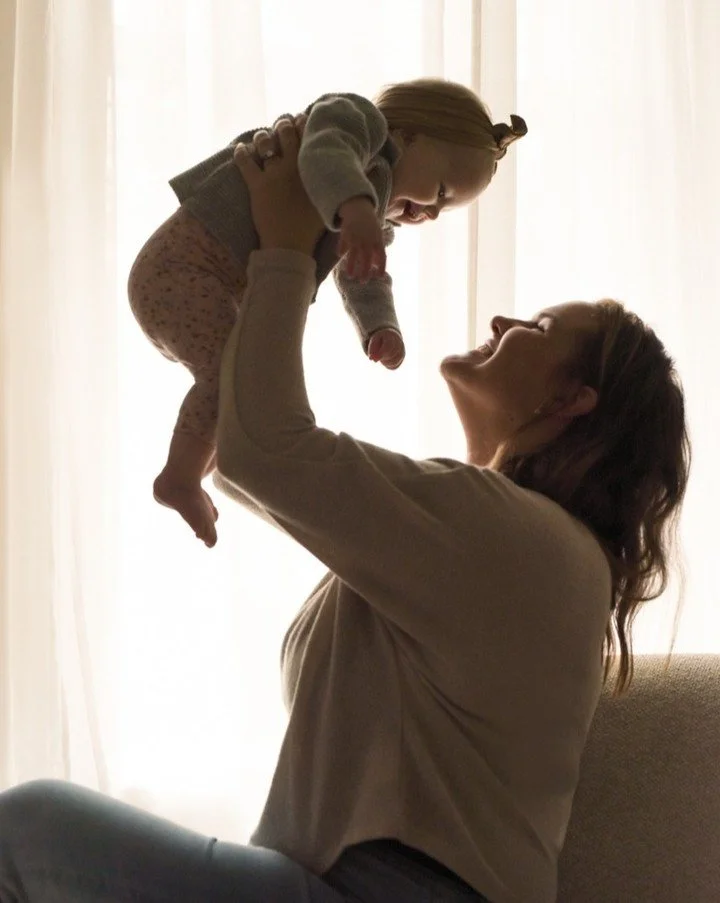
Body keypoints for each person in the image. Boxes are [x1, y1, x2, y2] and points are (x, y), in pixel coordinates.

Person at [0, 120, 689, 903]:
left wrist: (285, 247)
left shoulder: (520, 537)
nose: (501, 323)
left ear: (571, 399)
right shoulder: (491, 539)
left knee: (27, 829)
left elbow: (267, 449)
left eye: (534, 328)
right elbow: (265, 454)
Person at [127, 78, 526, 548]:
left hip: (211, 285)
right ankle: (178, 479)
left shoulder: (370, 214)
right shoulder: (356, 120)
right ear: (411, 135)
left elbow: (365, 274)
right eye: (440, 191)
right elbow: (324, 152)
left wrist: (380, 325)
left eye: (446, 209)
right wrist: (354, 208)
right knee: (225, 377)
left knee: (237, 381)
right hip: (182, 268)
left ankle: (202, 462)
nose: (432, 214)